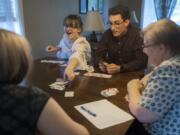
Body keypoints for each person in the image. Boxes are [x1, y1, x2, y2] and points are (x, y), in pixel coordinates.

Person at [0, 29, 89, 135]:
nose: (32, 58)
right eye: (29, 54)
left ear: (79, 30)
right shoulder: (31, 97)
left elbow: (77, 54)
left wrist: (69, 66)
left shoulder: (82, 41)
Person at [126, 19, 180, 135]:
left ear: (161, 48)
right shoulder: (175, 63)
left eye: (146, 45)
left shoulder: (169, 68)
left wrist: (132, 86)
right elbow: (150, 78)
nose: (144, 50)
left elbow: (142, 114)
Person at [95, 4, 147, 74]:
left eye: (117, 23)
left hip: (133, 75)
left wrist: (121, 68)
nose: (112, 28)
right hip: (112, 76)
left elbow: (141, 61)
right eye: (111, 23)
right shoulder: (107, 34)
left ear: (126, 22)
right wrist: (101, 63)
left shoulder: (138, 35)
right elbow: (97, 55)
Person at [46, 15, 91, 80]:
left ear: (79, 29)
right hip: (66, 66)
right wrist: (54, 48)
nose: (69, 28)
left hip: (80, 70)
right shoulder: (65, 38)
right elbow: (61, 46)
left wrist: (70, 67)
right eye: (66, 26)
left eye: (73, 27)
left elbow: (77, 54)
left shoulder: (81, 42)